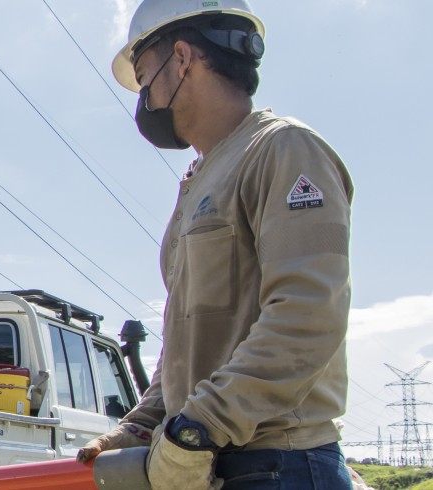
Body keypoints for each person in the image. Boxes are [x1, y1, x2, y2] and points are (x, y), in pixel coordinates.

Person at [77, 1, 354, 489]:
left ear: (182, 59)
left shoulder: (283, 149)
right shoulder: (200, 178)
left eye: (144, 78)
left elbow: (307, 314)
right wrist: (145, 422)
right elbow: (188, 337)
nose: (143, 98)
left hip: (277, 464)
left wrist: (196, 428)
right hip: (210, 461)